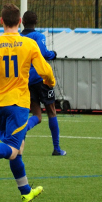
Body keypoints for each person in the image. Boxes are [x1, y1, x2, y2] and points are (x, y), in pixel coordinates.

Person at [0, 3, 55, 202]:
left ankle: (26, 192)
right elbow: (44, 69)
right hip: (18, 104)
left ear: (1, 21)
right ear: (20, 22)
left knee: (17, 151)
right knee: (13, 149)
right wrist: (50, 81)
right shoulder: (29, 44)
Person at [20, 10, 66, 156]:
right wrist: (54, 54)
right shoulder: (38, 36)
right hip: (42, 78)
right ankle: (56, 148)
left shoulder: (19, 38)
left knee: (37, 116)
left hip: (27, 80)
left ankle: (23, 131)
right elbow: (43, 53)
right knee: (51, 110)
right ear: (36, 22)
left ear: (22, 22)